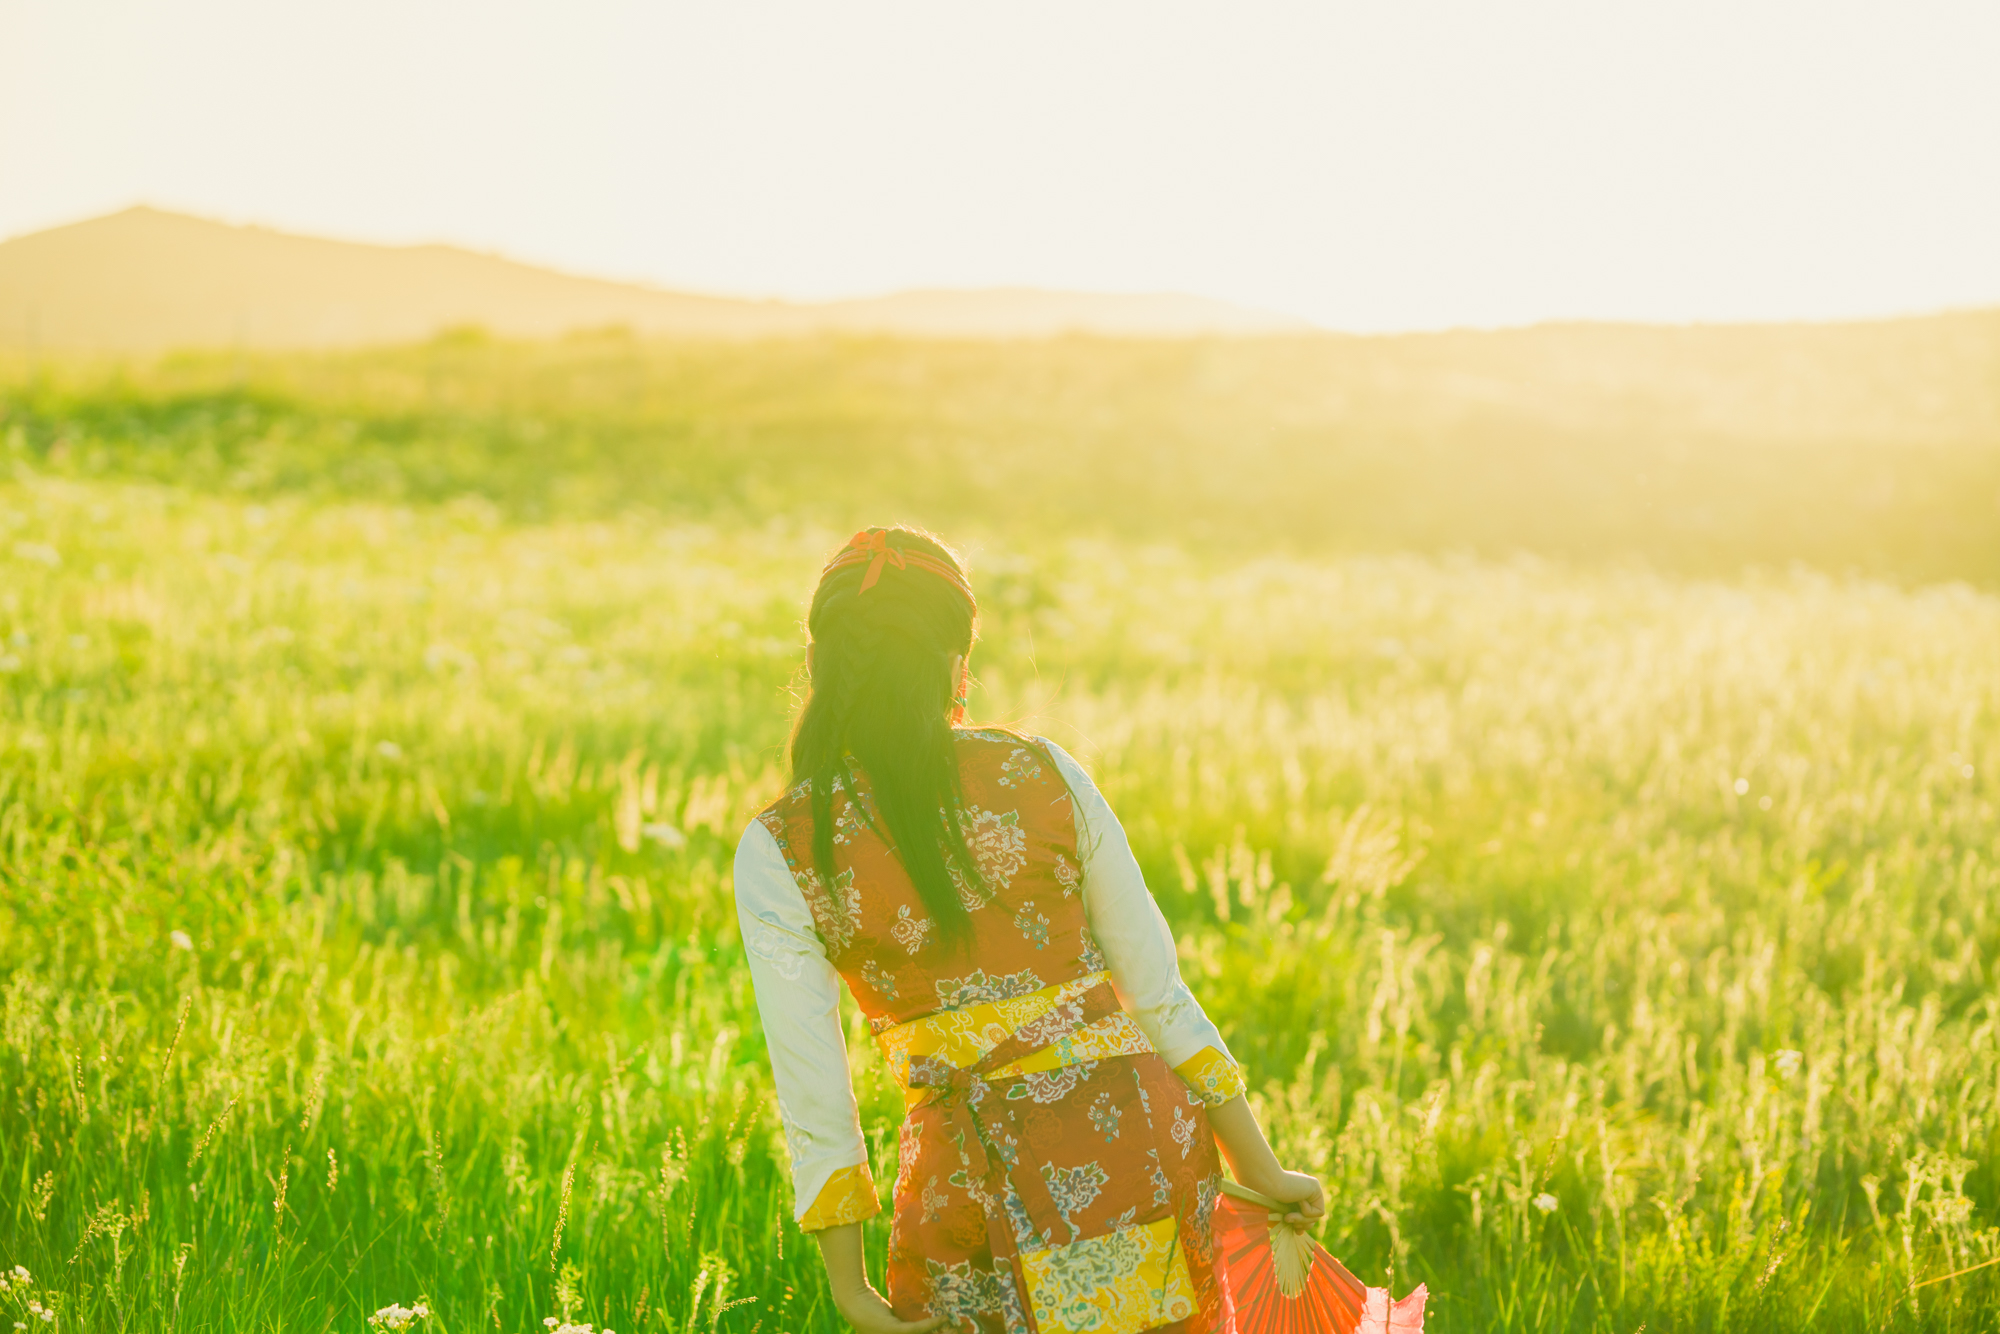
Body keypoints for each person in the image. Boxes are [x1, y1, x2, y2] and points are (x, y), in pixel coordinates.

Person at [734, 527, 1325, 1334]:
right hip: (1134, 1152)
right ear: (952, 665)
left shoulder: (781, 846)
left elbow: (815, 1091)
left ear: (825, 668)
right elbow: (1155, 991)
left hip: (967, 1183)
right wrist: (1261, 1168)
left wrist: (851, 1286)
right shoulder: (1043, 770)